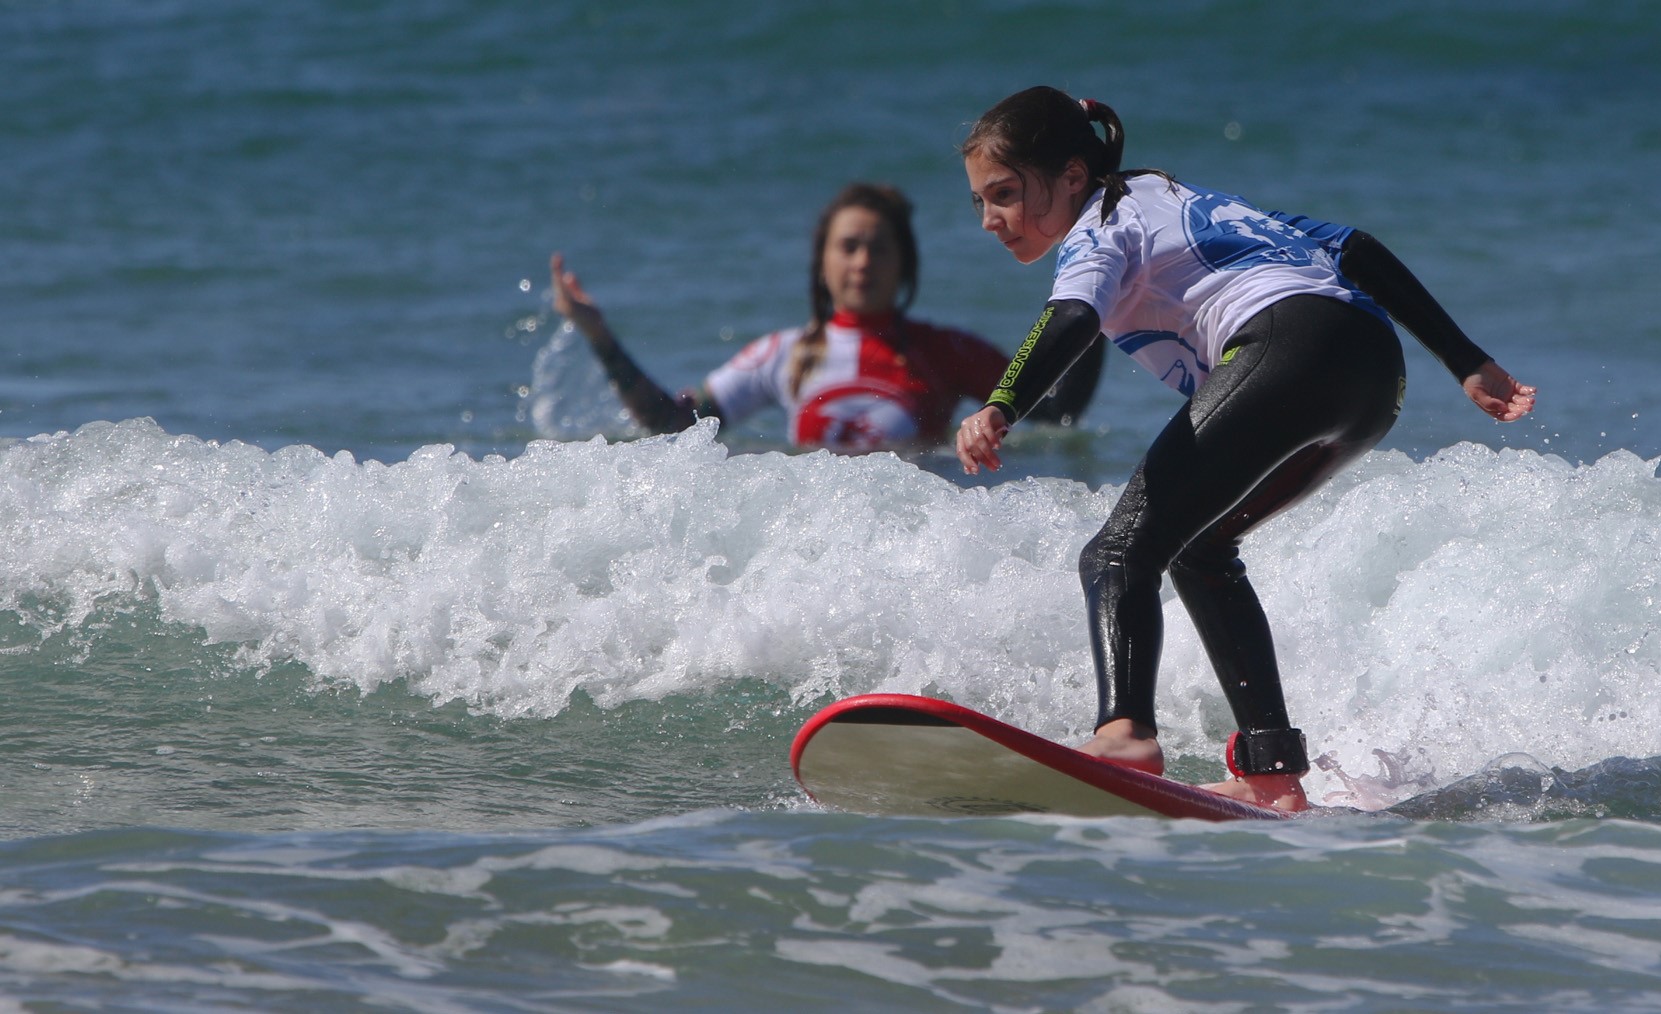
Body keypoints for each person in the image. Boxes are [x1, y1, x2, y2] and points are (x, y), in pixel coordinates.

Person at [953, 87, 1537, 812]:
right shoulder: (1181, 199)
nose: (989, 221)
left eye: (1004, 194)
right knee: (1198, 549)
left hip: (1287, 348)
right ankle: (1272, 777)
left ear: (1073, 175)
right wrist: (1465, 360)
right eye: (980, 202)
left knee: (1115, 554)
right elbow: (1353, 247)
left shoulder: (1101, 224)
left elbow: (1072, 314)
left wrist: (1004, 401)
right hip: (1370, 372)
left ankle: (1123, 732)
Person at [548, 182, 1099, 455]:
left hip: (919, 545)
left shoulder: (946, 351)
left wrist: (1094, 291)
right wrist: (599, 335)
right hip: (816, 552)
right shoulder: (781, 355)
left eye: (879, 248)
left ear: (903, 263)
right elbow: (675, 425)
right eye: (849, 246)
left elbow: (1056, 413)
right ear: (823, 262)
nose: (863, 261)